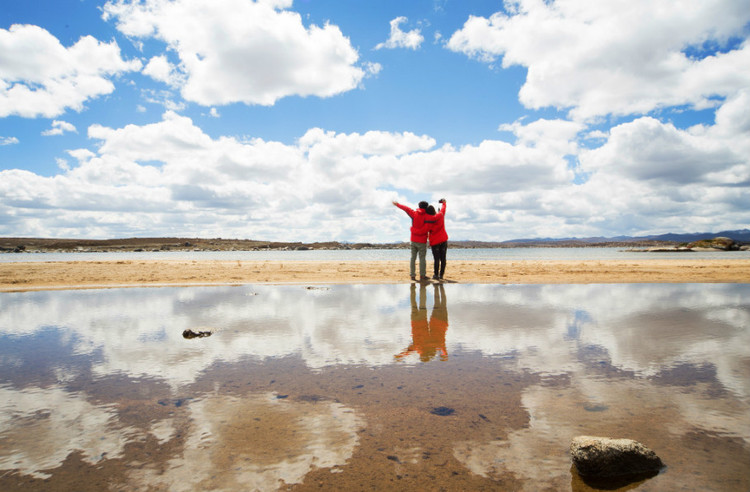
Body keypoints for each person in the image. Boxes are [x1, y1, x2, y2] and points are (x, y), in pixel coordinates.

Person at [392, 200, 430, 281]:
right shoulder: (427, 216)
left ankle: (412, 276)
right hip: (422, 241)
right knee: (422, 258)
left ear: (419, 206)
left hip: (413, 240)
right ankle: (422, 275)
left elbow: (406, 208)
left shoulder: (414, 213)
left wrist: (397, 204)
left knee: (413, 258)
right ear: (426, 208)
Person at [424, 198, 448, 280]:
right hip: (443, 240)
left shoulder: (428, 220)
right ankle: (441, 275)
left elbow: (426, 230)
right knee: (443, 259)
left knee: (436, 259)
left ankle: (436, 275)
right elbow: (443, 208)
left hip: (435, 242)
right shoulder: (440, 215)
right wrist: (443, 202)